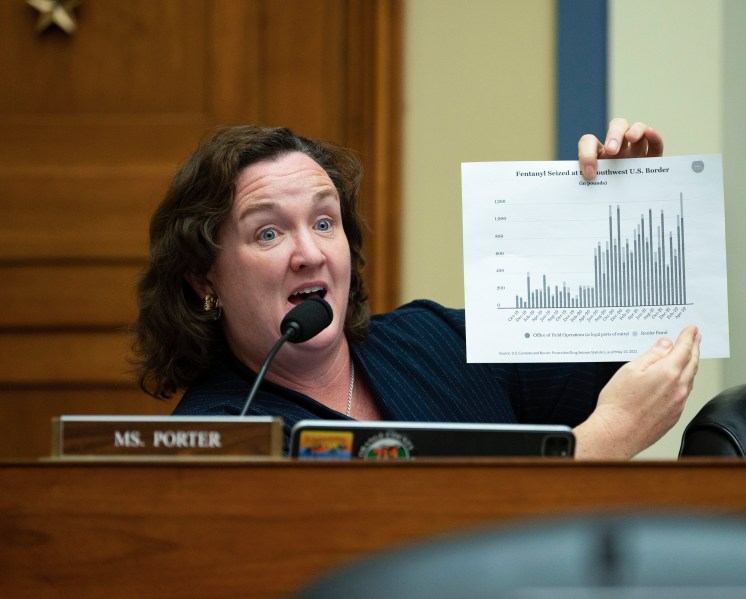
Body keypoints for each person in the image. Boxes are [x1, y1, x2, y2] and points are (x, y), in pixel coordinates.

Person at [131, 118, 700, 459]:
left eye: (325, 222)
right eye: (269, 232)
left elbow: (622, 361)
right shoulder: (217, 438)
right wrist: (599, 446)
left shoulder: (432, 340)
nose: (309, 253)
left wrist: (625, 205)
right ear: (204, 276)